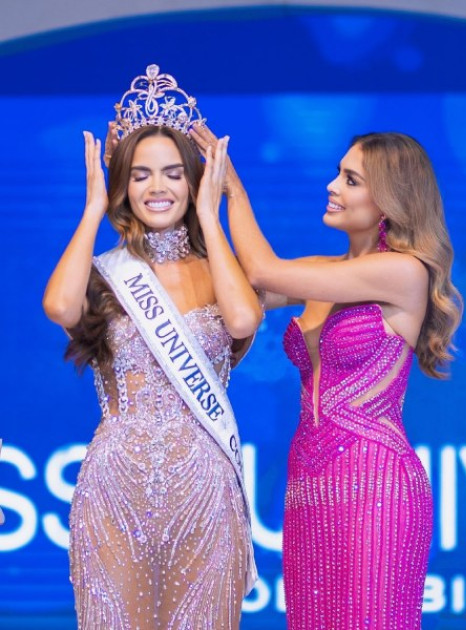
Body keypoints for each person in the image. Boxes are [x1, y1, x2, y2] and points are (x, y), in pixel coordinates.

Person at [188, 125, 462, 628]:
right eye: (338, 172)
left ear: (389, 200)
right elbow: (233, 291)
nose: (332, 185)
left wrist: (233, 192)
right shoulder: (321, 271)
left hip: (375, 484)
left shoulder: (403, 271)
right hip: (308, 484)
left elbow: (263, 271)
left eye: (351, 179)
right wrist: (169, 205)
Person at [42, 66, 260, 629]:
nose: (157, 188)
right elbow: (60, 308)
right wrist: (93, 210)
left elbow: (241, 318)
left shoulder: (220, 271)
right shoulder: (109, 275)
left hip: (205, 486)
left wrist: (213, 216)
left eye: (171, 174)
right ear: (122, 186)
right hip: (116, 487)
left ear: (193, 182)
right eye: (139, 176)